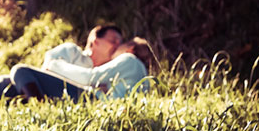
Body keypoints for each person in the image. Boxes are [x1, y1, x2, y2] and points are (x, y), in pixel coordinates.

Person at [0, 24, 124, 109]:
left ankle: (40, 110)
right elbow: (49, 66)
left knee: (17, 73)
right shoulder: (73, 51)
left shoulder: (111, 70)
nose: (118, 45)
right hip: (45, 89)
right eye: (113, 40)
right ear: (95, 41)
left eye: (120, 42)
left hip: (70, 99)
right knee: (6, 82)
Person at [12, 37, 154, 102]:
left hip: (95, 101)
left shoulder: (129, 59)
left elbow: (90, 77)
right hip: (101, 102)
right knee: (11, 82)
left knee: (21, 71)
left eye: (120, 46)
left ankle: (37, 107)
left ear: (130, 49)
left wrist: (56, 65)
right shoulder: (141, 72)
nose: (116, 49)